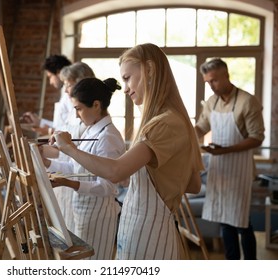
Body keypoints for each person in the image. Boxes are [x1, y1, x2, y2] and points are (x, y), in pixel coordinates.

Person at [49, 43, 204, 260]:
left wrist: (69, 148)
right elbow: (193, 184)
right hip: (139, 225)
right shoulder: (161, 120)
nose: (125, 88)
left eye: (128, 78)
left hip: (150, 231)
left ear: (149, 70)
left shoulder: (165, 122)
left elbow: (116, 172)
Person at [42, 77, 125, 260]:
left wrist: (68, 182)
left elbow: (107, 187)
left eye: (79, 109)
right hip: (83, 211)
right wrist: (46, 162)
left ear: (96, 105)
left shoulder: (108, 137)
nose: (77, 115)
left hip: (99, 217)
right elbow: (76, 167)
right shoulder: (92, 129)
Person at [195, 57, 265, 260]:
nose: (211, 86)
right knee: (224, 220)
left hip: (240, 170)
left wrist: (227, 150)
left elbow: (257, 137)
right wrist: (185, 138)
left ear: (226, 75)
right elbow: (201, 127)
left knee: (242, 222)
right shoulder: (211, 102)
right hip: (220, 169)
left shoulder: (247, 101)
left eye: (214, 80)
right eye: (208, 82)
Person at [44, 62, 96, 232]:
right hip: (66, 174)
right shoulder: (75, 114)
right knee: (64, 230)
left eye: (68, 84)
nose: (65, 90)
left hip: (78, 183)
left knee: (75, 236)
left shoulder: (88, 119)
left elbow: (79, 157)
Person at [21, 54, 72, 136]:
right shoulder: (65, 94)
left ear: (59, 72)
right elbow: (60, 125)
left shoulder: (71, 96)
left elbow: (73, 129)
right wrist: (40, 122)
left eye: (50, 76)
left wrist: (49, 131)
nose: (50, 82)